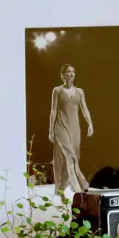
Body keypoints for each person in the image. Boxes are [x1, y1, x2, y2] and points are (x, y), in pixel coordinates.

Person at [49, 64, 94, 193]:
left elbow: (84, 109)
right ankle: (79, 184)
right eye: (68, 72)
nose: (71, 74)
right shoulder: (57, 90)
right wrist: (50, 130)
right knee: (70, 156)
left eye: (73, 71)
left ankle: (63, 187)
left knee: (74, 157)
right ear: (63, 75)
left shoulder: (80, 91)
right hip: (60, 126)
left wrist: (90, 124)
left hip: (75, 128)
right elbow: (53, 111)